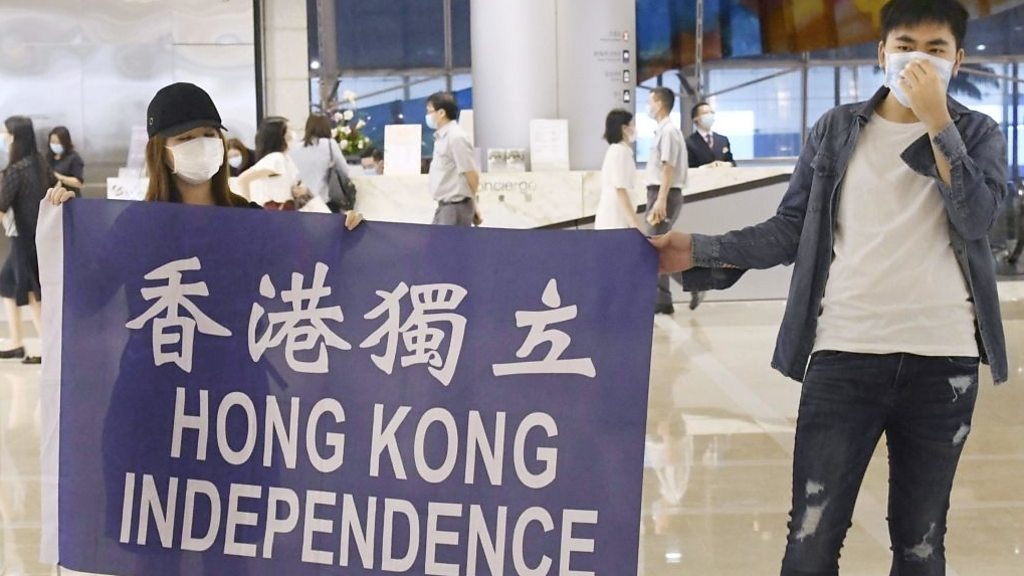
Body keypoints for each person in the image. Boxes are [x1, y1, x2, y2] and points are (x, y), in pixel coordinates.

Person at [650, 1, 1006, 572]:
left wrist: (939, 123)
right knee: (811, 540)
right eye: (905, 46)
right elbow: (790, 229)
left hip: (943, 361)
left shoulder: (978, 132)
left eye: (936, 49)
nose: (919, 60)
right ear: (881, 53)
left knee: (920, 544)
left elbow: (977, 219)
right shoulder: (836, 130)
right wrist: (697, 248)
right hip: (845, 354)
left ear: (958, 60)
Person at [0, 116, 52, 364]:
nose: (3, 138)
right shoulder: (39, 164)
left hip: (23, 239)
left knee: (32, 292)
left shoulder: (15, 171)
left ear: (14, 138)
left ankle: (47, 348)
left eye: (5, 133)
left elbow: (2, 205)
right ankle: (16, 342)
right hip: (38, 235)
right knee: (6, 283)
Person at [645, 87, 702, 313]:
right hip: (661, 192)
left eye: (650, 102)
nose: (649, 107)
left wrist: (661, 199)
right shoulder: (664, 130)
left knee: (653, 247)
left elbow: (668, 167)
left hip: (663, 193)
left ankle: (693, 282)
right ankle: (663, 300)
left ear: (659, 104)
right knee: (657, 247)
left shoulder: (668, 131)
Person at [237, 117, 329, 213]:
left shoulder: (285, 158)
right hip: (275, 212)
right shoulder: (276, 158)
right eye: (289, 131)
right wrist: (249, 211)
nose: (293, 134)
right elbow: (243, 179)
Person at [426, 92, 481, 226]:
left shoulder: (456, 137)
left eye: (430, 111)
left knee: (448, 240)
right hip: (445, 206)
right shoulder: (442, 137)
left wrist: (474, 205)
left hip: (456, 207)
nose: (428, 116)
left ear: (441, 113)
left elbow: (471, 174)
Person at [596, 109, 642, 230]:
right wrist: (634, 220)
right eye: (632, 124)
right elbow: (620, 188)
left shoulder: (620, 150)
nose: (634, 128)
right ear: (624, 128)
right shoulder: (619, 152)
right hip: (615, 218)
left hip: (616, 217)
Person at [290, 113, 350, 205]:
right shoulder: (330, 144)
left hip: (301, 200)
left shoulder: (295, 147)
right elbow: (345, 170)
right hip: (324, 200)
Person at [686, 102, 735, 168]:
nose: (710, 115)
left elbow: (732, 162)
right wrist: (706, 167)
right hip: (701, 174)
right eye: (705, 113)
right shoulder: (689, 143)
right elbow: (688, 167)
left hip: (722, 174)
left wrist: (728, 164)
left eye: (712, 112)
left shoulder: (723, 140)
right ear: (695, 118)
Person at [46, 126, 85, 193]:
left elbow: (78, 183)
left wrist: (58, 177)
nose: (55, 145)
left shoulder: (74, 158)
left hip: (70, 196)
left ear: (65, 142)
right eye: (52, 142)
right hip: (52, 196)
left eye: (58, 142)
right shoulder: (48, 157)